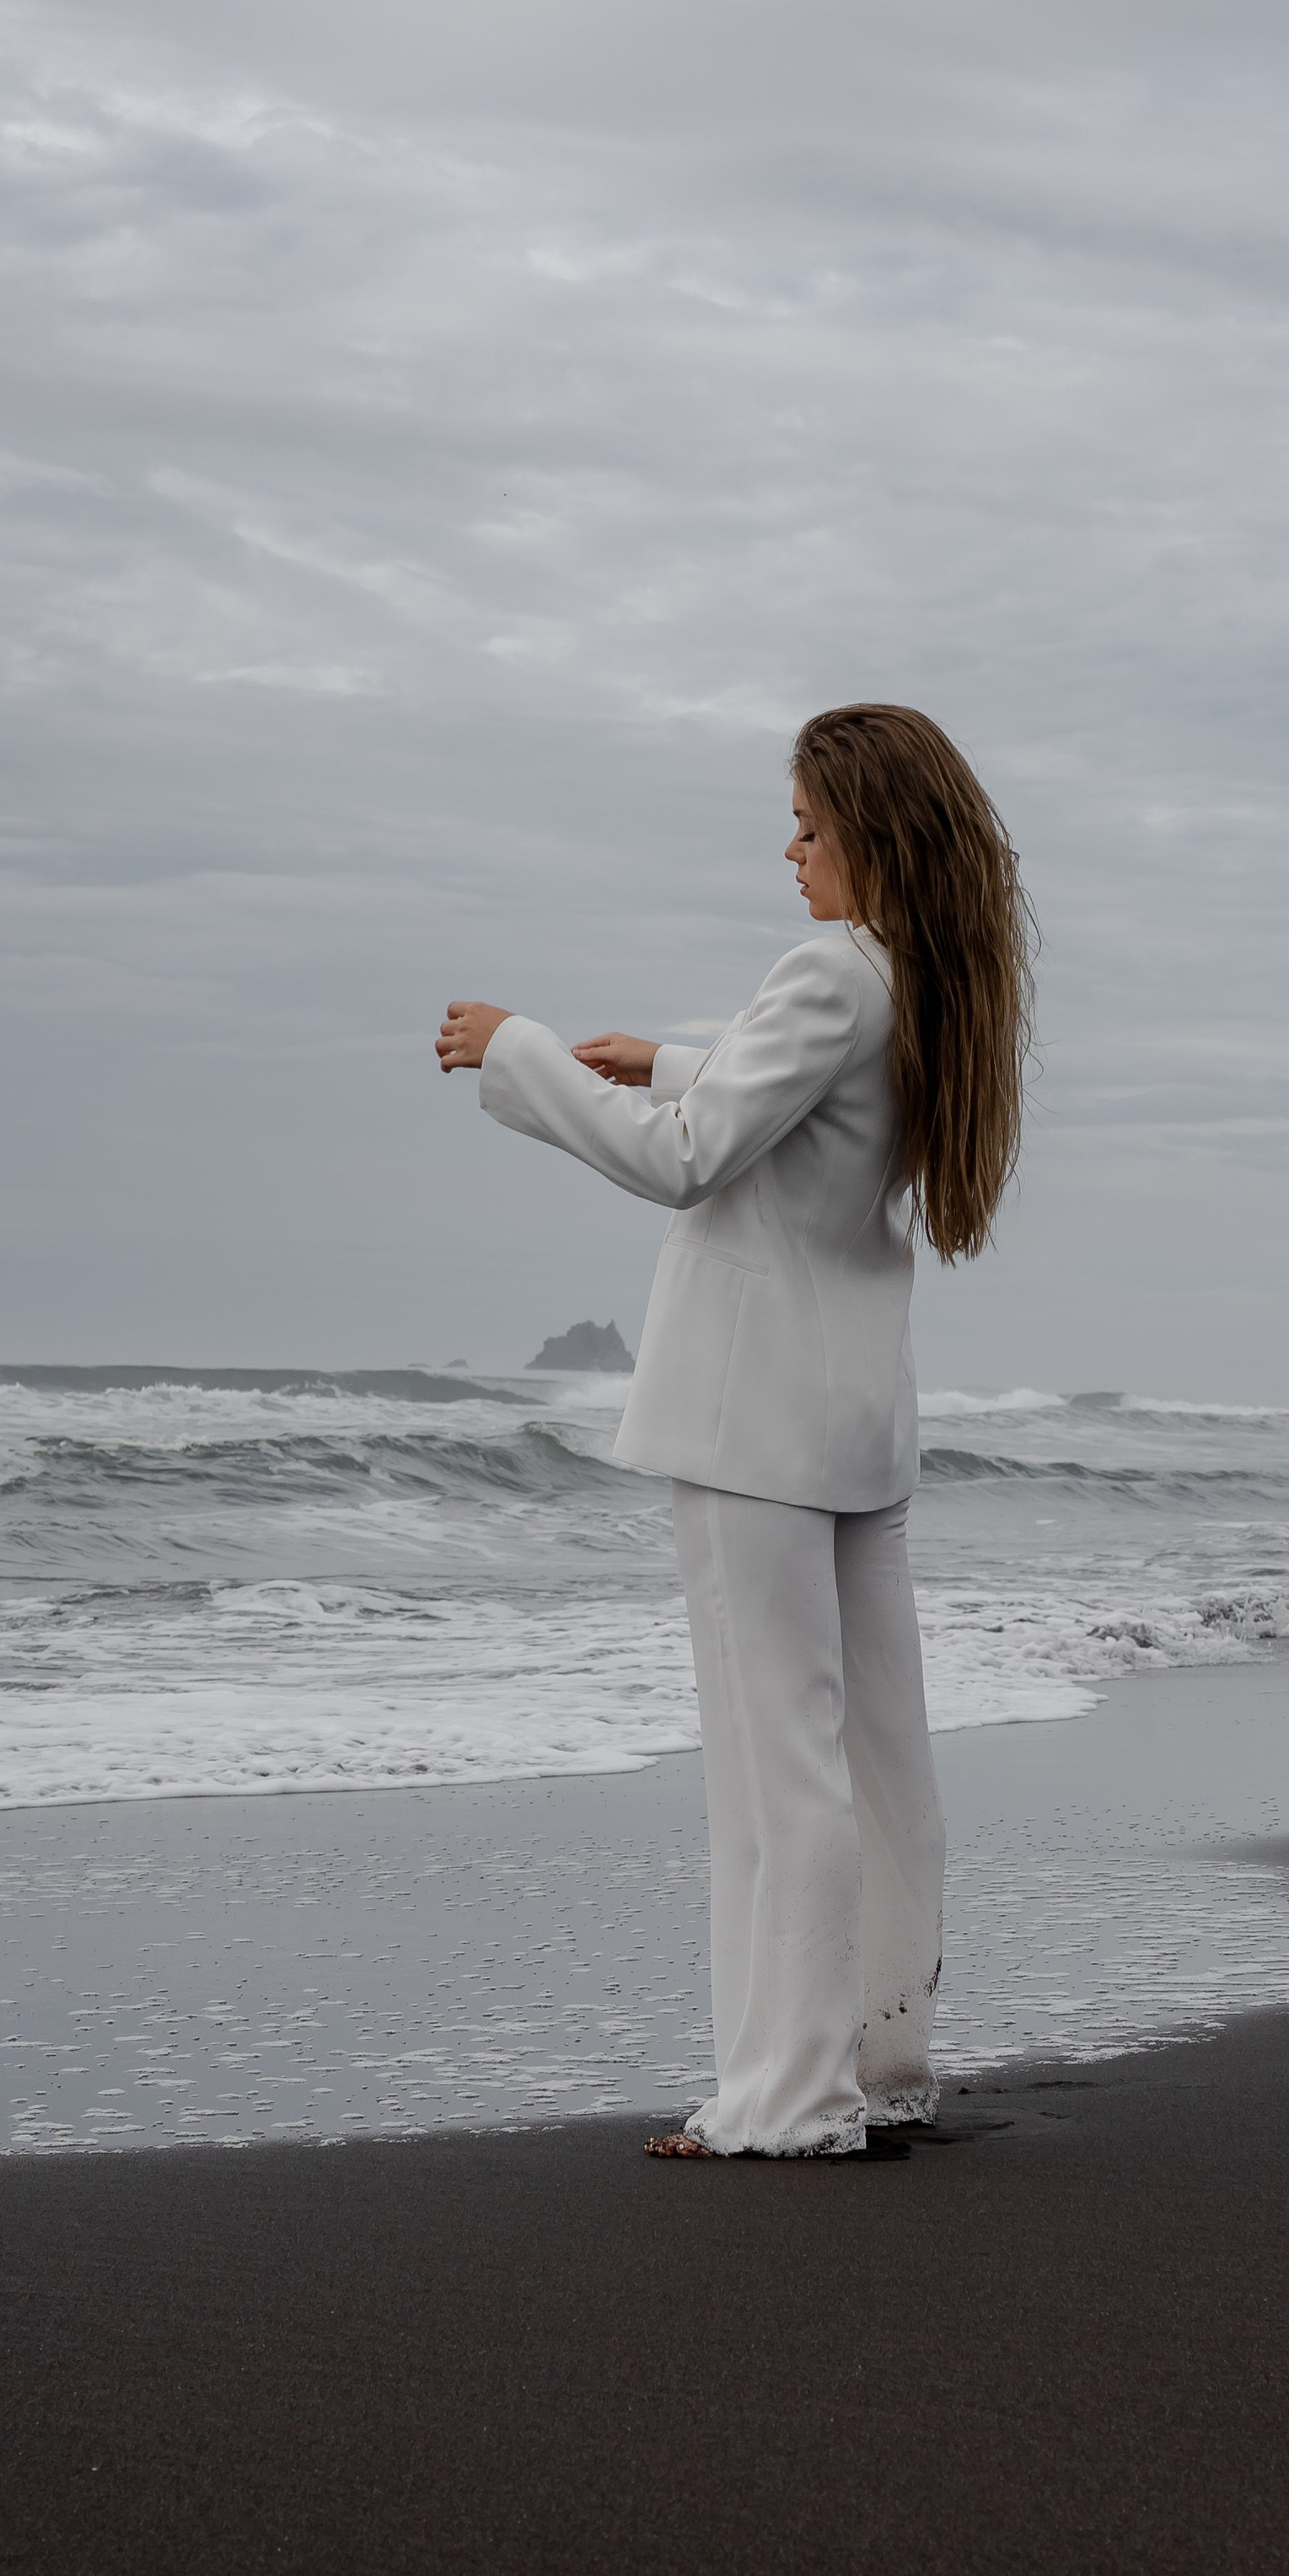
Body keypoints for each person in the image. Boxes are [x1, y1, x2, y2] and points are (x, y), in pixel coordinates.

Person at [434, 706, 1034, 2158]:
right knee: (880, 1763)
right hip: (852, 1419)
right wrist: (679, 1053)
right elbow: (815, 1101)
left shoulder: (826, 970)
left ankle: (789, 2096)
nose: (792, 849)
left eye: (812, 827)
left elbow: (686, 1164)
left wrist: (522, 1053)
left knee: (780, 1770)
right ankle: (880, 2058)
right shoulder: (929, 984)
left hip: (752, 1423)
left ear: (872, 835)